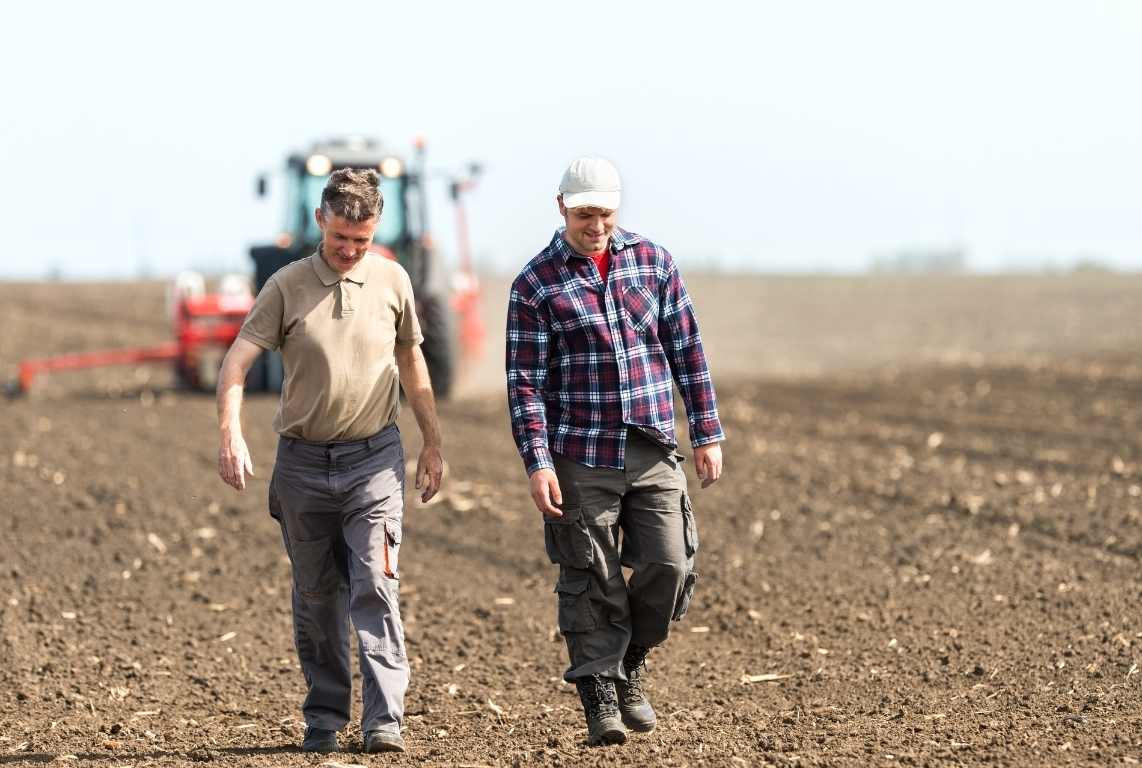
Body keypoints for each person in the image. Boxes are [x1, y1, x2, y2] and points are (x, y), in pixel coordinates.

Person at [215, 168, 443, 755]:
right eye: (341, 238)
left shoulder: (393, 280)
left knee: (376, 584)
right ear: (321, 220)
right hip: (301, 465)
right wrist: (231, 435)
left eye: (361, 242)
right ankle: (324, 716)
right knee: (317, 596)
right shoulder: (285, 285)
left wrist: (432, 443)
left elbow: (413, 364)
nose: (349, 252)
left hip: (375, 462)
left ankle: (383, 721)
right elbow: (236, 365)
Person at [506, 156, 724, 746]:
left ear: (616, 208)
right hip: (580, 450)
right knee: (591, 574)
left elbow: (688, 350)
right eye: (583, 213)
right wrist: (539, 462)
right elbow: (525, 384)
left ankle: (631, 662)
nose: (594, 223)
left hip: (652, 446)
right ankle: (601, 693)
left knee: (669, 564)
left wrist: (706, 431)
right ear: (561, 209)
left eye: (603, 212)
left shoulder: (653, 262)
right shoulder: (535, 283)